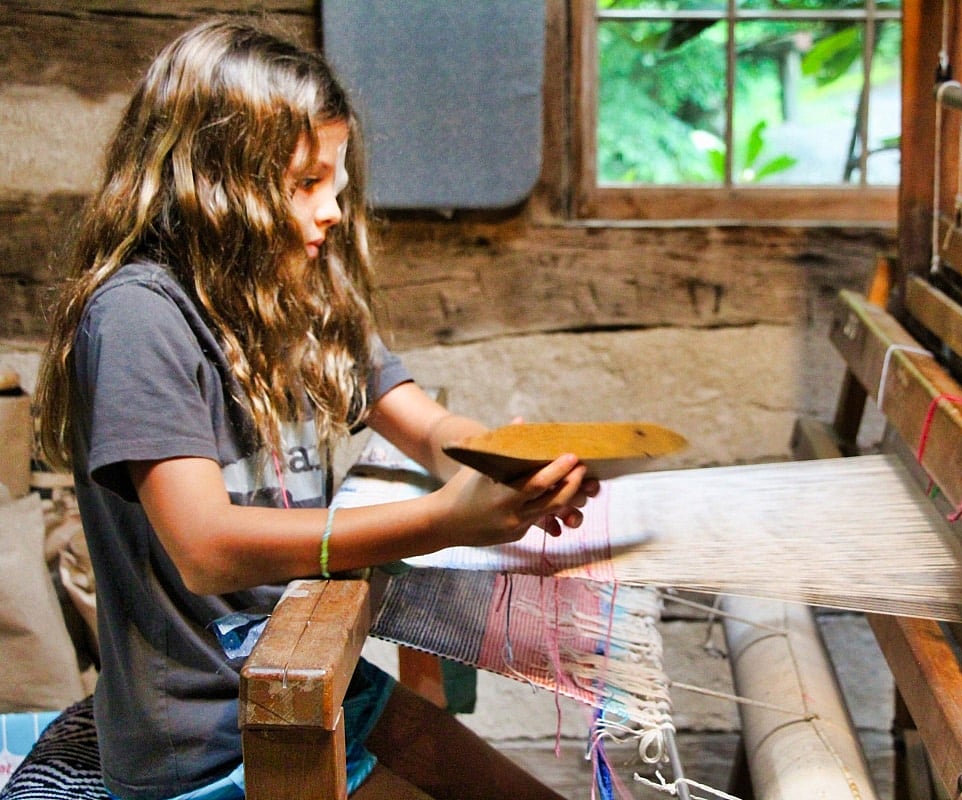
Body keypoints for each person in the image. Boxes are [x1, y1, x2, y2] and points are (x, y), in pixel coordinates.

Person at [34, 18, 596, 800]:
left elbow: (424, 425)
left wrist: (504, 465)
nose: (332, 207)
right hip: (205, 742)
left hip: (316, 676)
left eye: (334, 179)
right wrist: (447, 521)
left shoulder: (293, 295)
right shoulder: (139, 317)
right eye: (304, 183)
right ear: (216, 180)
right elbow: (206, 547)